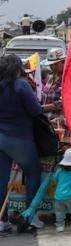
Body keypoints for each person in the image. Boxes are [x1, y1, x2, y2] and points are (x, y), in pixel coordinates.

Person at [0, 54, 43, 232]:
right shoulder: (21, 85)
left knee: (1, 180)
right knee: (33, 173)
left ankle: (3, 220)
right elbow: (35, 110)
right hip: (20, 138)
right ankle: (30, 216)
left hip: (0, 138)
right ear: (18, 69)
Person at [22, 147, 71, 232]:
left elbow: (56, 179)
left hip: (58, 196)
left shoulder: (59, 171)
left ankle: (60, 226)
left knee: (59, 212)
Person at [41, 48, 66, 124]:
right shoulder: (50, 78)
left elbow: (62, 103)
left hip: (59, 123)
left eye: (56, 64)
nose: (53, 67)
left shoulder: (67, 80)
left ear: (63, 62)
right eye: (51, 65)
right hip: (47, 122)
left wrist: (42, 108)